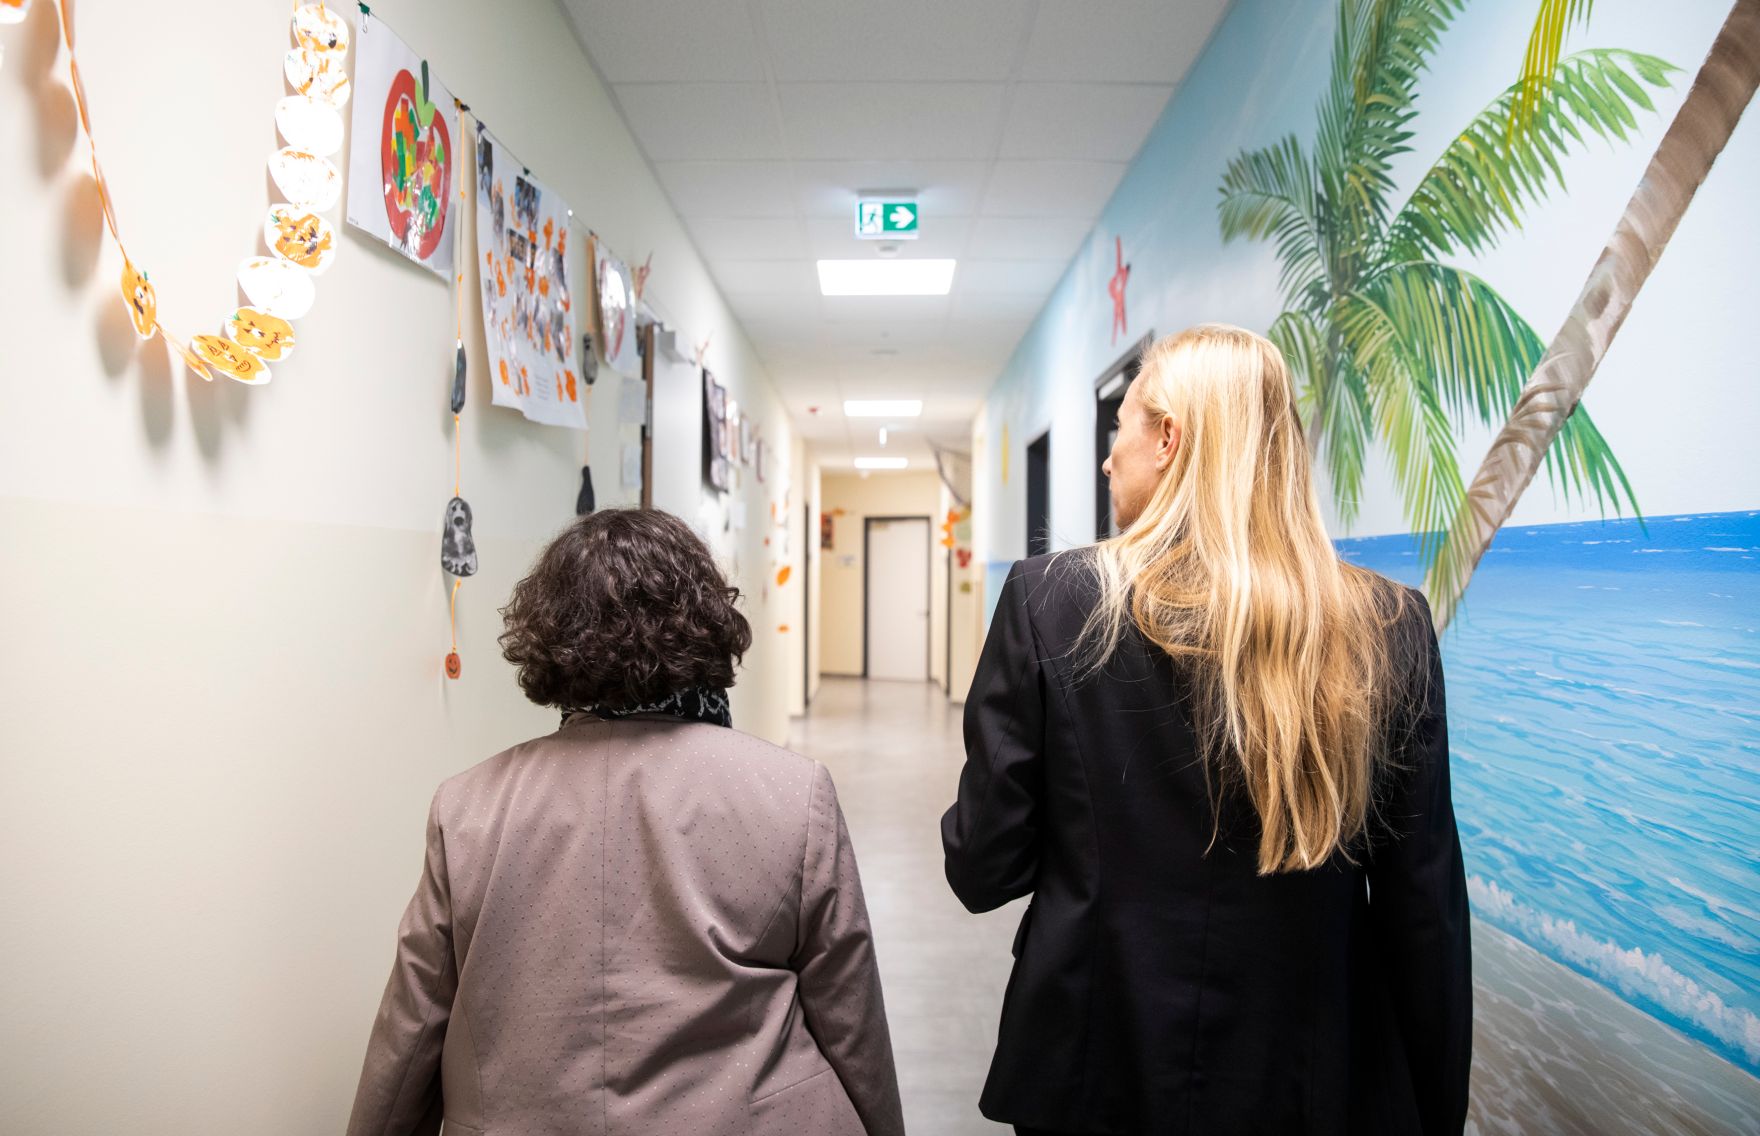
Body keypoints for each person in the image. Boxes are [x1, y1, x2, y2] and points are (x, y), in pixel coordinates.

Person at [942, 324, 1471, 1135]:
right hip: (1310, 1082)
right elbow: (1423, 916)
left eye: (1120, 433)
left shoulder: (1048, 603)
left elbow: (983, 867)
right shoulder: (1388, 626)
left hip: (1095, 1069)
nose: (1108, 458)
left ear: (1169, 438)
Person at [347, 509, 905, 1136]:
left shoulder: (468, 807)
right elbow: (849, 1017)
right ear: (707, 624)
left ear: (549, 636)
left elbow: (414, 1025)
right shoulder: (792, 793)